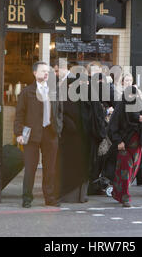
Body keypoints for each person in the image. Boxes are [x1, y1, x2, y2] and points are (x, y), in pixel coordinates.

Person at [14, 61, 63, 208]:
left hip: (50, 132)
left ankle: (50, 197)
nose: (46, 73)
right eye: (43, 71)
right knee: (30, 168)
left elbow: (60, 112)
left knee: (50, 168)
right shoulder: (26, 92)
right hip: (32, 134)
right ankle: (27, 198)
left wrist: (58, 128)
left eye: (47, 71)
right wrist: (18, 133)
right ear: (35, 73)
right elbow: (19, 115)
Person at [108, 85, 142, 207]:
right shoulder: (120, 108)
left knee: (132, 171)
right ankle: (125, 197)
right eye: (129, 95)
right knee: (125, 171)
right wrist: (118, 141)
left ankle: (118, 192)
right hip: (124, 145)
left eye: (134, 95)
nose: (131, 98)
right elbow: (112, 126)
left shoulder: (140, 105)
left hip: (138, 146)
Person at [55, 65, 91, 203]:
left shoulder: (83, 98)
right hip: (68, 139)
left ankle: (78, 196)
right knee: (68, 167)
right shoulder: (65, 98)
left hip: (80, 139)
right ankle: (67, 195)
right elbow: (61, 114)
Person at [122, 72, 142, 186]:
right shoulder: (121, 92)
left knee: (139, 152)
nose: (128, 82)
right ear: (122, 82)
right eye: (126, 80)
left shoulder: (136, 92)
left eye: (130, 80)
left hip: (137, 127)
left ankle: (139, 175)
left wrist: (138, 94)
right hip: (126, 126)